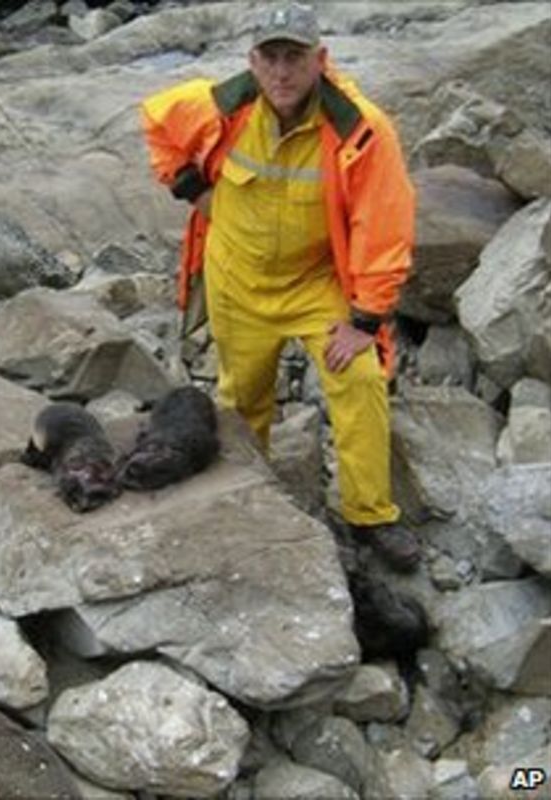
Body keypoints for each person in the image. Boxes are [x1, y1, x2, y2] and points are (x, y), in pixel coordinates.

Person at [140, 3, 420, 572]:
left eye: (295, 57)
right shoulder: (220, 106)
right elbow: (157, 124)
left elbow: (382, 222)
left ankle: (370, 518)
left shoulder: (360, 128)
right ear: (253, 61)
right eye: (270, 57)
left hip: (315, 284)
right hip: (236, 279)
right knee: (242, 399)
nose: (282, 71)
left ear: (321, 60)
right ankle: (250, 497)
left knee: (360, 378)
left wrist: (366, 318)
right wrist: (192, 188)